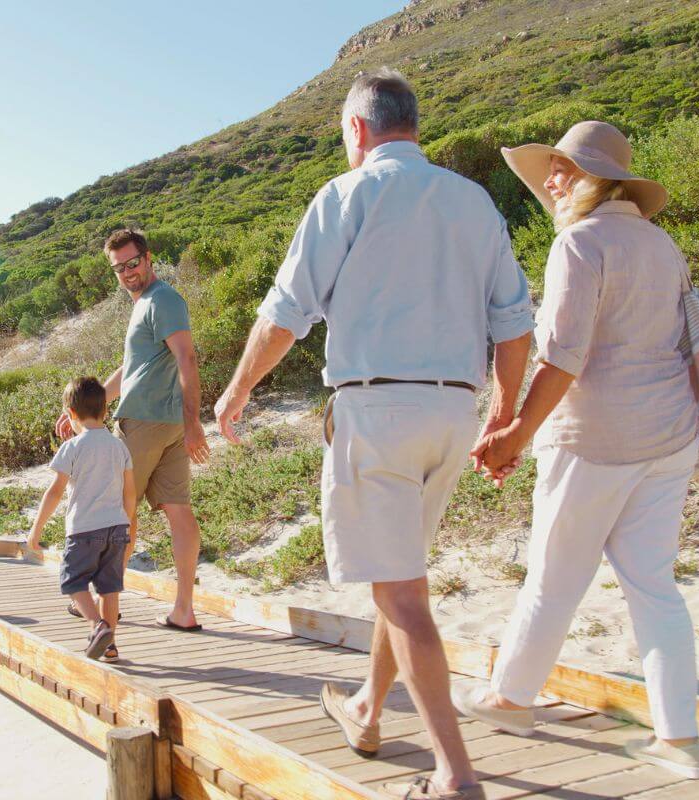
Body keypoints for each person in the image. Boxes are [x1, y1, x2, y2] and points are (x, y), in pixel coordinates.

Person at [214, 68, 534, 800]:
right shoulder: (474, 200)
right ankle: (365, 707)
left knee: (404, 597)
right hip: (455, 411)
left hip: (377, 410)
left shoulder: (345, 194)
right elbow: (514, 321)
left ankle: (454, 775)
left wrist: (237, 392)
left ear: (357, 129)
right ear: (412, 125)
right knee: (403, 577)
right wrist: (504, 410)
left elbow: (286, 313)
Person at [460, 121, 699, 780]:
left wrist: (514, 433)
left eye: (564, 171)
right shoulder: (663, 246)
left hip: (596, 438)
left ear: (599, 179)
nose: (551, 180)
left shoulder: (581, 244)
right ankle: (681, 739)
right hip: (670, 437)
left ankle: (510, 699)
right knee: (656, 588)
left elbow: (564, 357)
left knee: (552, 580)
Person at [55, 228, 210, 632]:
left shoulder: (164, 300)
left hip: (147, 423)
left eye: (133, 263)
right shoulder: (145, 305)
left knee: (120, 513)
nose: (127, 273)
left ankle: (108, 607)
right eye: (119, 268)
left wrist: (194, 423)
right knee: (177, 512)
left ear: (148, 257)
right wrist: (87, 407)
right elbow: (134, 369)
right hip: (166, 423)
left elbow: (187, 359)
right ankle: (183, 611)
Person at [30, 377, 135, 663]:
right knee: (109, 588)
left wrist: (36, 530)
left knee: (73, 581)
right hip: (117, 527)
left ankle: (97, 625)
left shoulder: (72, 447)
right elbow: (130, 492)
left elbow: (55, 492)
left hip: (83, 529)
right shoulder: (119, 447)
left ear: (71, 414)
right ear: (104, 410)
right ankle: (110, 645)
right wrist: (126, 526)